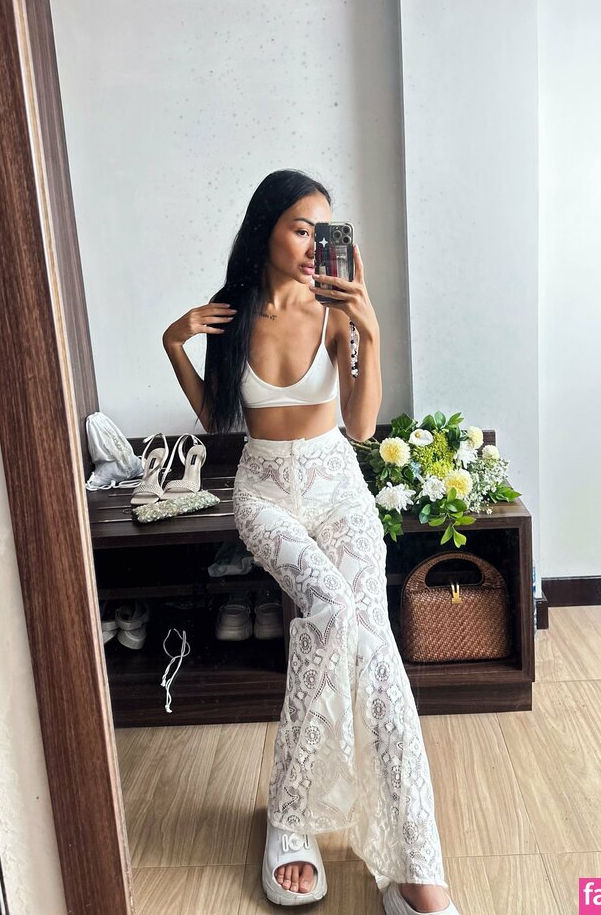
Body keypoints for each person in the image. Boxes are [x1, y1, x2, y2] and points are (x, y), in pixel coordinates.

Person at [162, 170, 458, 915]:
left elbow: (360, 426)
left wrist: (368, 329)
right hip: (265, 493)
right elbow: (218, 421)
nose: (312, 245)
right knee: (329, 609)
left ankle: (415, 863)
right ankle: (290, 813)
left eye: (323, 231)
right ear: (265, 227)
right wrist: (175, 344)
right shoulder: (232, 315)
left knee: (375, 646)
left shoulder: (333, 311)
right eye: (300, 228)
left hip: (338, 488)